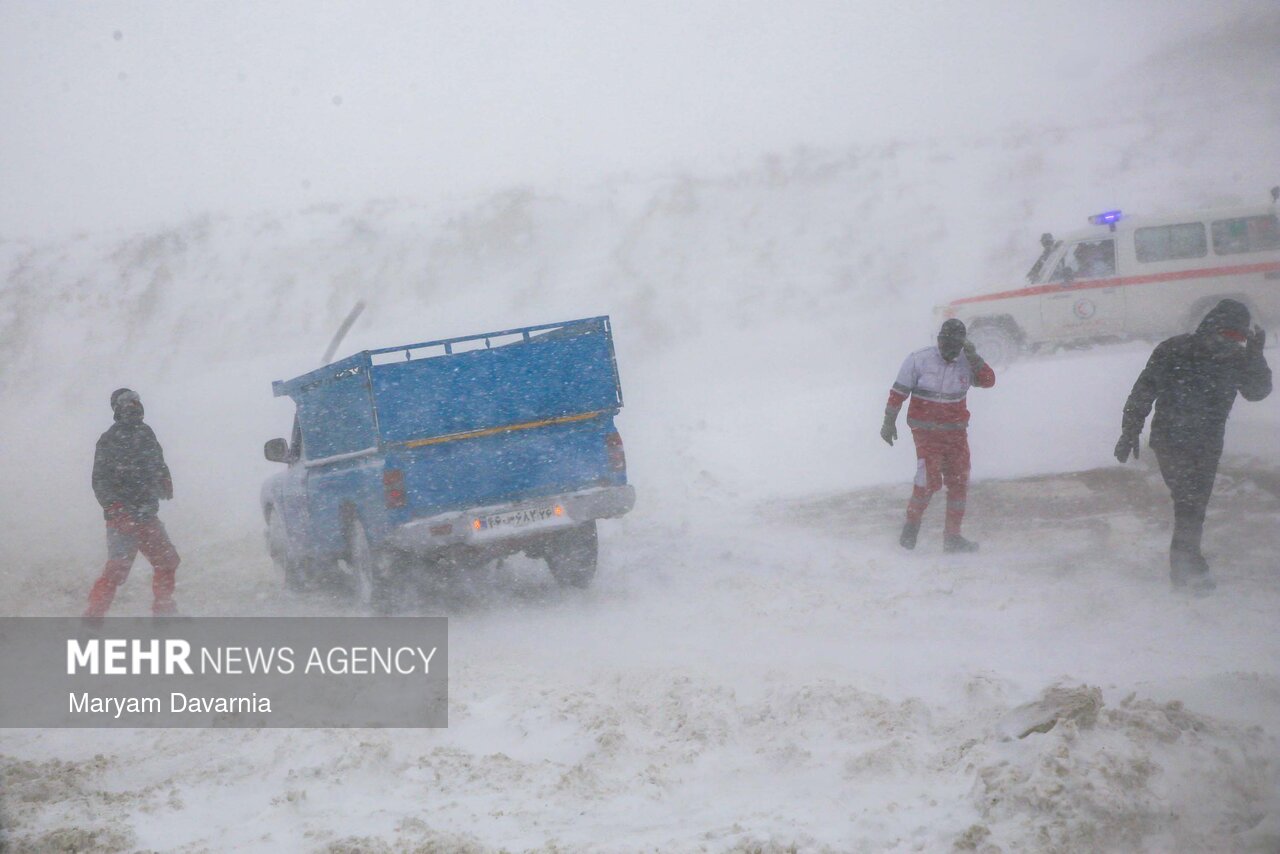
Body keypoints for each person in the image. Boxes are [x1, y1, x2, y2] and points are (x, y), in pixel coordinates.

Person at [1115, 299, 1270, 592]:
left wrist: (1255, 357)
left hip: (1208, 447)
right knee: (1190, 504)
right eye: (1227, 334)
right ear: (1210, 326)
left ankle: (1188, 565)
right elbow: (1143, 391)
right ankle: (1187, 571)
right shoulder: (1174, 350)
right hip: (1171, 442)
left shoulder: (1237, 359)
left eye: (1238, 337)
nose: (1230, 342)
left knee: (1192, 505)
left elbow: (1257, 392)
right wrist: (1130, 430)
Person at [882, 319, 996, 552]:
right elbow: (898, 393)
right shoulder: (918, 360)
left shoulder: (967, 362)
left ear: (962, 345)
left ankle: (952, 537)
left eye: (954, 346)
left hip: (956, 434)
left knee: (959, 481)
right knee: (928, 481)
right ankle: (911, 527)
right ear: (938, 340)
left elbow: (988, 381)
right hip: (926, 433)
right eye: (944, 343)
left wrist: (975, 358)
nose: (948, 350)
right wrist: (888, 421)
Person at [83, 388, 182, 620]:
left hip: (146, 515)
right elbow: (100, 480)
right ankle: (92, 617)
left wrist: (164, 477)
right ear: (117, 409)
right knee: (117, 569)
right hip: (122, 518)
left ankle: (164, 611)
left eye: (136, 402)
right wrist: (114, 508)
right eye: (127, 403)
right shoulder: (109, 440)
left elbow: (157, 460)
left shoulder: (146, 433)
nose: (133, 407)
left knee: (167, 561)